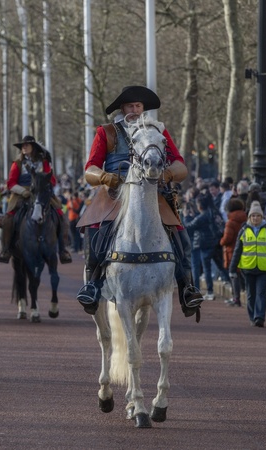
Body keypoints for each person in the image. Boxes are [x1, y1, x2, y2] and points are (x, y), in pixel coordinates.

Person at [75, 85, 203, 317]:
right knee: (97, 232)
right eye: (130, 106)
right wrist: (105, 177)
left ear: (143, 109)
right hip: (115, 192)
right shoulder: (107, 132)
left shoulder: (157, 131)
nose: (134, 110)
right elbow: (90, 168)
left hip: (152, 191)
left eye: (138, 106)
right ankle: (92, 284)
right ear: (122, 108)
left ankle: (187, 288)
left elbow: (180, 164)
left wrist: (167, 174)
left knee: (180, 236)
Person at [0, 135, 72, 265]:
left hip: (41, 192)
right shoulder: (17, 163)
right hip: (22, 193)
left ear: (33, 147)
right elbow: (10, 183)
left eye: (26, 145)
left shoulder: (43, 162)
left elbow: (52, 180)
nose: (24, 147)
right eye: (22, 146)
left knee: (61, 216)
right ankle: (6, 249)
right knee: (8, 218)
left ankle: (63, 250)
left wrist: (44, 186)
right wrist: (23, 191)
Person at [229, 201, 266, 327]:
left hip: (264, 268)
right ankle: (252, 316)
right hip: (248, 268)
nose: (255, 218)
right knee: (250, 294)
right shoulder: (244, 230)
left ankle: (259, 317)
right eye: (253, 216)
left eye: (258, 216)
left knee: (261, 293)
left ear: (262, 217)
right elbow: (237, 250)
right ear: (249, 217)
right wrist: (232, 268)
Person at [220, 197, 247, 306]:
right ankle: (243, 293)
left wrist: (221, 241)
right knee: (242, 274)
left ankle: (236, 298)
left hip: (232, 251)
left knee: (233, 274)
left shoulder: (230, 222)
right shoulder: (245, 218)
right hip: (245, 250)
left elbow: (227, 238)